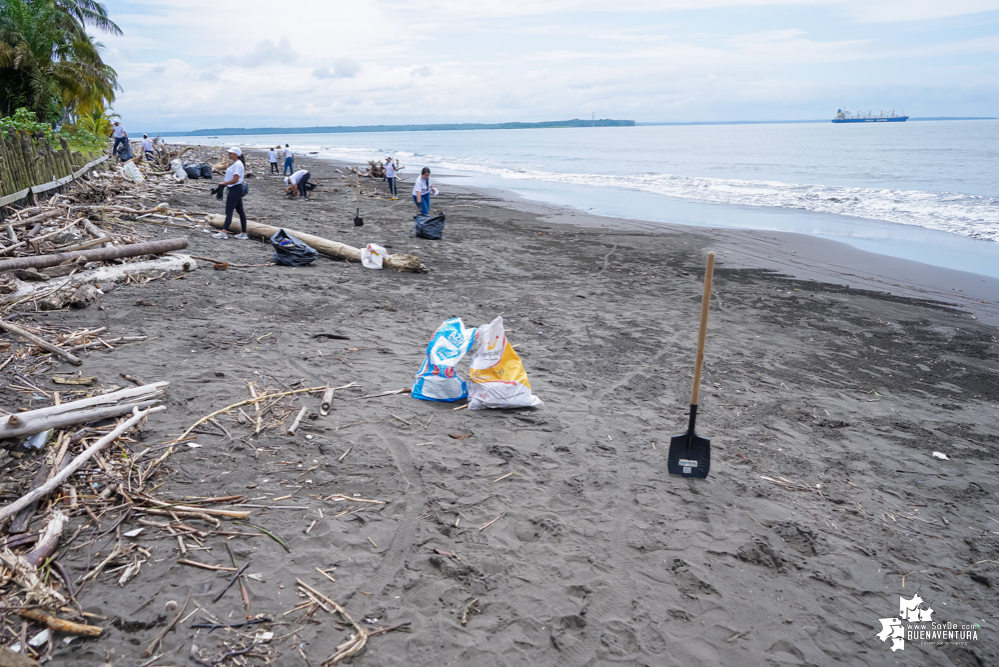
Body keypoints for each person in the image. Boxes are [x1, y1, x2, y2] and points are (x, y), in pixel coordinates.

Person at [213, 147, 249, 240]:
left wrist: (223, 183)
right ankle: (244, 233)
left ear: (236, 155)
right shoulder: (237, 164)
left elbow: (235, 179)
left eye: (230, 153)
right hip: (236, 188)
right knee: (240, 211)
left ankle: (224, 232)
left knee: (229, 211)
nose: (228, 155)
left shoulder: (237, 164)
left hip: (235, 189)